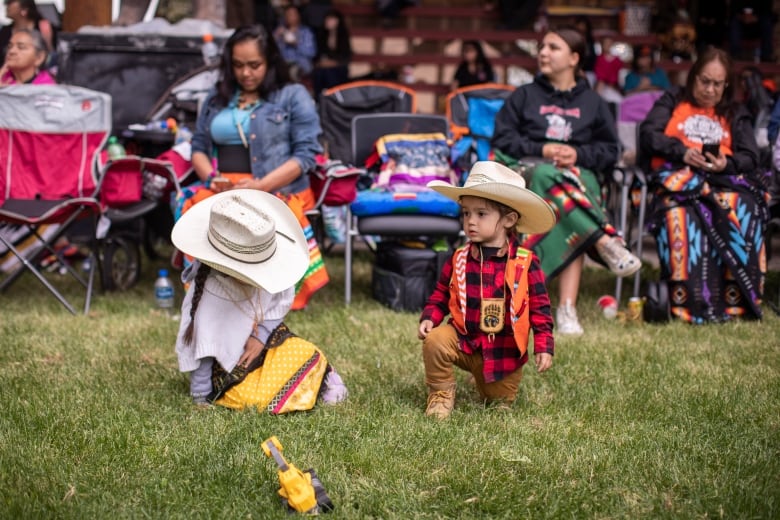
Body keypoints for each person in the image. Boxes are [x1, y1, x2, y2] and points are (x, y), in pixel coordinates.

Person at [491, 26, 641, 336]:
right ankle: (603, 241)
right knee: (549, 174)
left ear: (574, 58)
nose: (543, 53)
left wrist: (577, 154)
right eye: (542, 46)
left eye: (553, 47)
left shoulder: (593, 102)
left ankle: (566, 307)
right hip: (528, 173)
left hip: (576, 178)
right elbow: (503, 139)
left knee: (565, 201)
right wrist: (541, 148)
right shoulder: (524, 95)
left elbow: (610, 150)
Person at [184, 24, 327, 310]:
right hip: (225, 187)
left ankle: (266, 295)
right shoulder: (217, 98)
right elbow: (198, 147)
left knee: (262, 211)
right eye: (237, 65)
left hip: (276, 186)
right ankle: (213, 293)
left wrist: (260, 186)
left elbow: (306, 155)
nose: (245, 73)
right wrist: (211, 178)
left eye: (254, 65)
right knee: (193, 208)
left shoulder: (292, 95)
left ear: (270, 62)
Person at [172, 189, 347, 410]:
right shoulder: (212, 293)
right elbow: (204, 348)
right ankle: (304, 387)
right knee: (252, 398)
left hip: (261, 344)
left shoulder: (272, 269)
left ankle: (320, 379)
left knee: (305, 352)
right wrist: (200, 396)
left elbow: (279, 303)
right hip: (230, 370)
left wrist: (260, 337)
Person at [638, 47, 769, 323]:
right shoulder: (673, 100)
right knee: (681, 213)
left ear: (726, 85)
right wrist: (681, 151)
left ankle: (737, 301)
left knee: (742, 207)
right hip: (679, 178)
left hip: (722, 180)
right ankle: (690, 301)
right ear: (693, 77)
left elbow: (750, 156)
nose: (709, 89)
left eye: (717, 84)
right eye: (704, 81)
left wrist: (725, 163)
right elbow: (649, 134)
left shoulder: (735, 112)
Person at [417, 161, 556, 420]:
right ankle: (441, 394)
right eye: (466, 213)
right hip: (464, 340)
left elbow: (540, 307)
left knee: (497, 402)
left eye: (481, 214)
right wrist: (430, 317)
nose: (470, 221)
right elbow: (440, 294)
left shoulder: (526, 262)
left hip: (503, 354)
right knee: (435, 342)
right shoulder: (459, 257)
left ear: (509, 220)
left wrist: (544, 345)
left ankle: (485, 380)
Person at [0, 0, 56, 68]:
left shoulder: (43, 27)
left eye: (10, 2)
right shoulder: (5, 31)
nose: (6, 5)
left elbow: (54, 56)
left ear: (24, 9)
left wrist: (48, 41)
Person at [311, 8, 351, 98]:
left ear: (337, 21)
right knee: (320, 73)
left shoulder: (343, 37)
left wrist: (331, 63)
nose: (328, 21)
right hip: (322, 67)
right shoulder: (321, 35)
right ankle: (319, 99)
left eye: (331, 19)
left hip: (338, 68)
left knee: (329, 74)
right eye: (327, 19)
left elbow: (345, 58)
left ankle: (333, 99)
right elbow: (317, 55)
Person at [273, 4, 317, 82]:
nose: (291, 17)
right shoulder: (280, 31)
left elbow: (311, 53)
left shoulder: (306, 32)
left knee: (293, 71)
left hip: (301, 65)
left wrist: (296, 44)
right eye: (288, 14)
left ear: (298, 16)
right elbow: (273, 51)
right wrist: (276, 37)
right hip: (284, 65)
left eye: (293, 14)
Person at [593, 33, 625, 105]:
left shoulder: (617, 60)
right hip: (601, 86)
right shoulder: (598, 59)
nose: (607, 45)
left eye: (609, 43)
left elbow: (619, 76)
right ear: (601, 45)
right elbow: (599, 77)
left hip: (614, 87)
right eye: (605, 43)